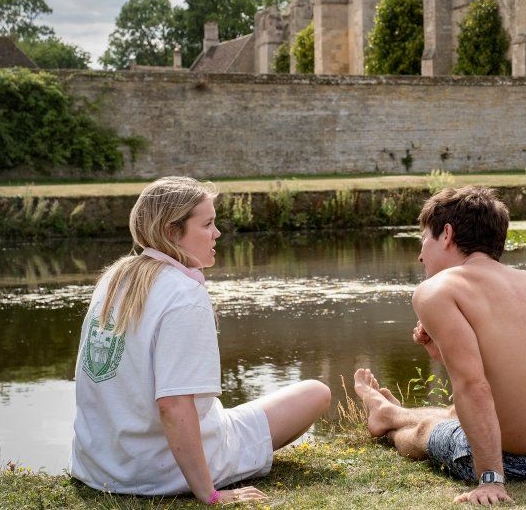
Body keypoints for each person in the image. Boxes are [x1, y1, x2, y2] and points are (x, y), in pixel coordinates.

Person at [70, 176, 331, 504]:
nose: (217, 233)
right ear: (171, 232)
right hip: (160, 472)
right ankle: (207, 467)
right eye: (207, 224)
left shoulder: (115, 276)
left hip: (101, 468)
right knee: (316, 392)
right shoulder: (184, 294)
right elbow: (173, 405)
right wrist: (209, 494)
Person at [354, 186, 526, 505]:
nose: (420, 255)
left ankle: (388, 419)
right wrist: (438, 352)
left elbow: (473, 385)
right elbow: (511, 378)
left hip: (520, 463)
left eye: (424, 241)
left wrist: (491, 479)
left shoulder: (436, 290)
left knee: (428, 432)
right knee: (459, 414)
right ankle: (392, 411)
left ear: (446, 234)